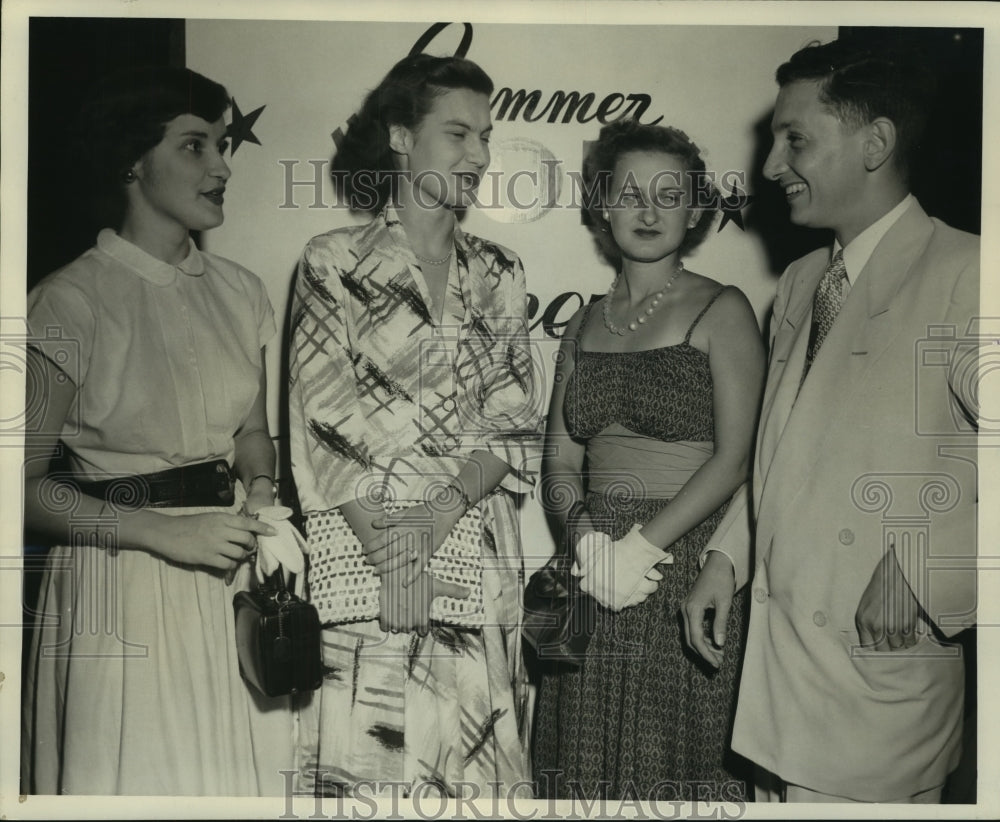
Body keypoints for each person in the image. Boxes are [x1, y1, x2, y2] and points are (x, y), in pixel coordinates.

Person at [684, 38, 980, 803]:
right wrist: (726, 556)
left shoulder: (970, 271)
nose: (773, 166)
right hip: (778, 693)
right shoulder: (803, 279)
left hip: (874, 699)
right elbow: (786, 452)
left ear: (876, 143)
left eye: (797, 139)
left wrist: (921, 563)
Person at [20, 67, 293, 796]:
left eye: (224, 145)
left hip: (230, 580)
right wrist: (165, 534)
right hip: (121, 583)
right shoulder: (66, 302)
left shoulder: (242, 292)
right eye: (196, 146)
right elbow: (20, 492)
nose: (222, 166)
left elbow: (251, 434)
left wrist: (262, 495)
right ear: (131, 161)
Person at [288, 53, 543, 798]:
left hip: (472, 552)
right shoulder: (331, 260)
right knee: (371, 776)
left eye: (486, 136)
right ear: (402, 136)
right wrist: (394, 555)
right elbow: (323, 422)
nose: (481, 155)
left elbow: (513, 424)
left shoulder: (500, 270)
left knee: (479, 781)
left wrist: (427, 528)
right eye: (459, 134)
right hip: (366, 558)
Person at [531, 119, 765, 800]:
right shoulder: (584, 321)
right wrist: (588, 547)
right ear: (603, 203)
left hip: (682, 563)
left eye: (671, 193)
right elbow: (559, 462)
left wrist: (639, 549)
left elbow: (739, 458)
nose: (649, 209)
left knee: (668, 765)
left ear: (695, 210)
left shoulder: (723, 309)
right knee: (578, 766)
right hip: (590, 566)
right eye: (630, 191)